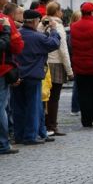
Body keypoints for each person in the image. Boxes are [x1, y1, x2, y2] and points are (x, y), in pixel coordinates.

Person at [13, 10, 60, 145]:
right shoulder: (37, 37)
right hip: (33, 76)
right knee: (33, 107)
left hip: (17, 76)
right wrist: (54, 30)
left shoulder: (18, 34)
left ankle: (19, 135)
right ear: (35, 21)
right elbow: (54, 43)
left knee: (18, 107)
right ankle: (30, 136)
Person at [36, 2, 73, 136]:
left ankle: (44, 125)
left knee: (44, 97)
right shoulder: (58, 26)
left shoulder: (41, 24)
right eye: (60, 10)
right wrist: (69, 70)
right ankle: (52, 125)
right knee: (54, 98)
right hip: (56, 63)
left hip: (43, 63)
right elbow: (63, 50)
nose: (62, 13)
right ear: (57, 12)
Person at [0, 0, 24, 155]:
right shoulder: (4, 20)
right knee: (1, 106)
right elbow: (17, 46)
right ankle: (3, 143)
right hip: (2, 68)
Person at [67, 10, 82, 115]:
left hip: (76, 59)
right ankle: (75, 107)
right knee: (77, 85)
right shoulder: (73, 31)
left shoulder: (72, 30)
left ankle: (76, 107)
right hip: (76, 60)